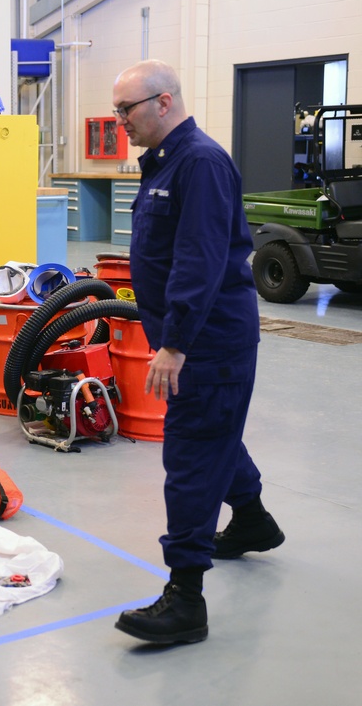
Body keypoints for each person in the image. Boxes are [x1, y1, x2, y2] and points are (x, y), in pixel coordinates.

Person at [110, 60, 285, 645]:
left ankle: (185, 598)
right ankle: (254, 521)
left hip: (206, 342)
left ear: (163, 102)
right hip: (194, 339)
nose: (120, 122)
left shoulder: (201, 163)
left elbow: (200, 260)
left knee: (188, 456)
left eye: (126, 110)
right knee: (216, 435)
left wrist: (176, 343)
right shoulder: (165, 162)